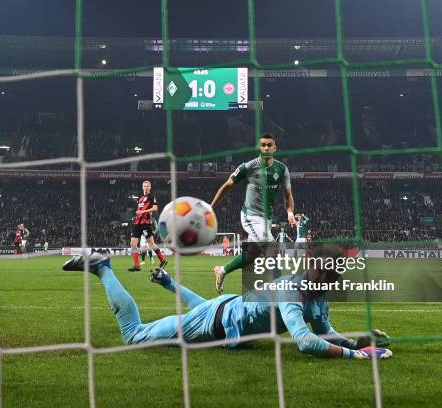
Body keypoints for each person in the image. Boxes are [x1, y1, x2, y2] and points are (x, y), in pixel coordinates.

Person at [61, 246, 392, 359]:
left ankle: (124, 272)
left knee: (207, 309)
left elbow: (323, 331)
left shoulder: (316, 297)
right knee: (133, 334)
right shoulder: (293, 293)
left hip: (223, 312)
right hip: (215, 322)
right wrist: (355, 356)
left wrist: (357, 342)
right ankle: (102, 267)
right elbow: (305, 342)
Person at [210, 133, 295, 293]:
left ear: (275, 148)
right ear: (259, 147)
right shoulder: (247, 167)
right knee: (273, 248)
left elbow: (288, 195)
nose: (266, 148)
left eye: (269, 145)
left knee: (251, 255)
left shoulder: (282, 169)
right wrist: (211, 206)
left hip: (266, 219)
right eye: (263, 145)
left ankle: (222, 270)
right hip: (250, 216)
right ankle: (278, 289)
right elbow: (227, 185)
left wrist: (290, 213)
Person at [128, 180, 167, 271]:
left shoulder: (151, 197)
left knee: (151, 244)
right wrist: (136, 217)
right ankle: (137, 265)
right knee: (133, 244)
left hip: (146, 224)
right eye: (144, 186)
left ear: (150, 187)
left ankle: (163, 260)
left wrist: (143, 212)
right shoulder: (141, 198)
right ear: (142, 187)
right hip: (138, 224)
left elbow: (155, 208)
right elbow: (139, 211)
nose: (145, 188)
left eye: (147, 186)